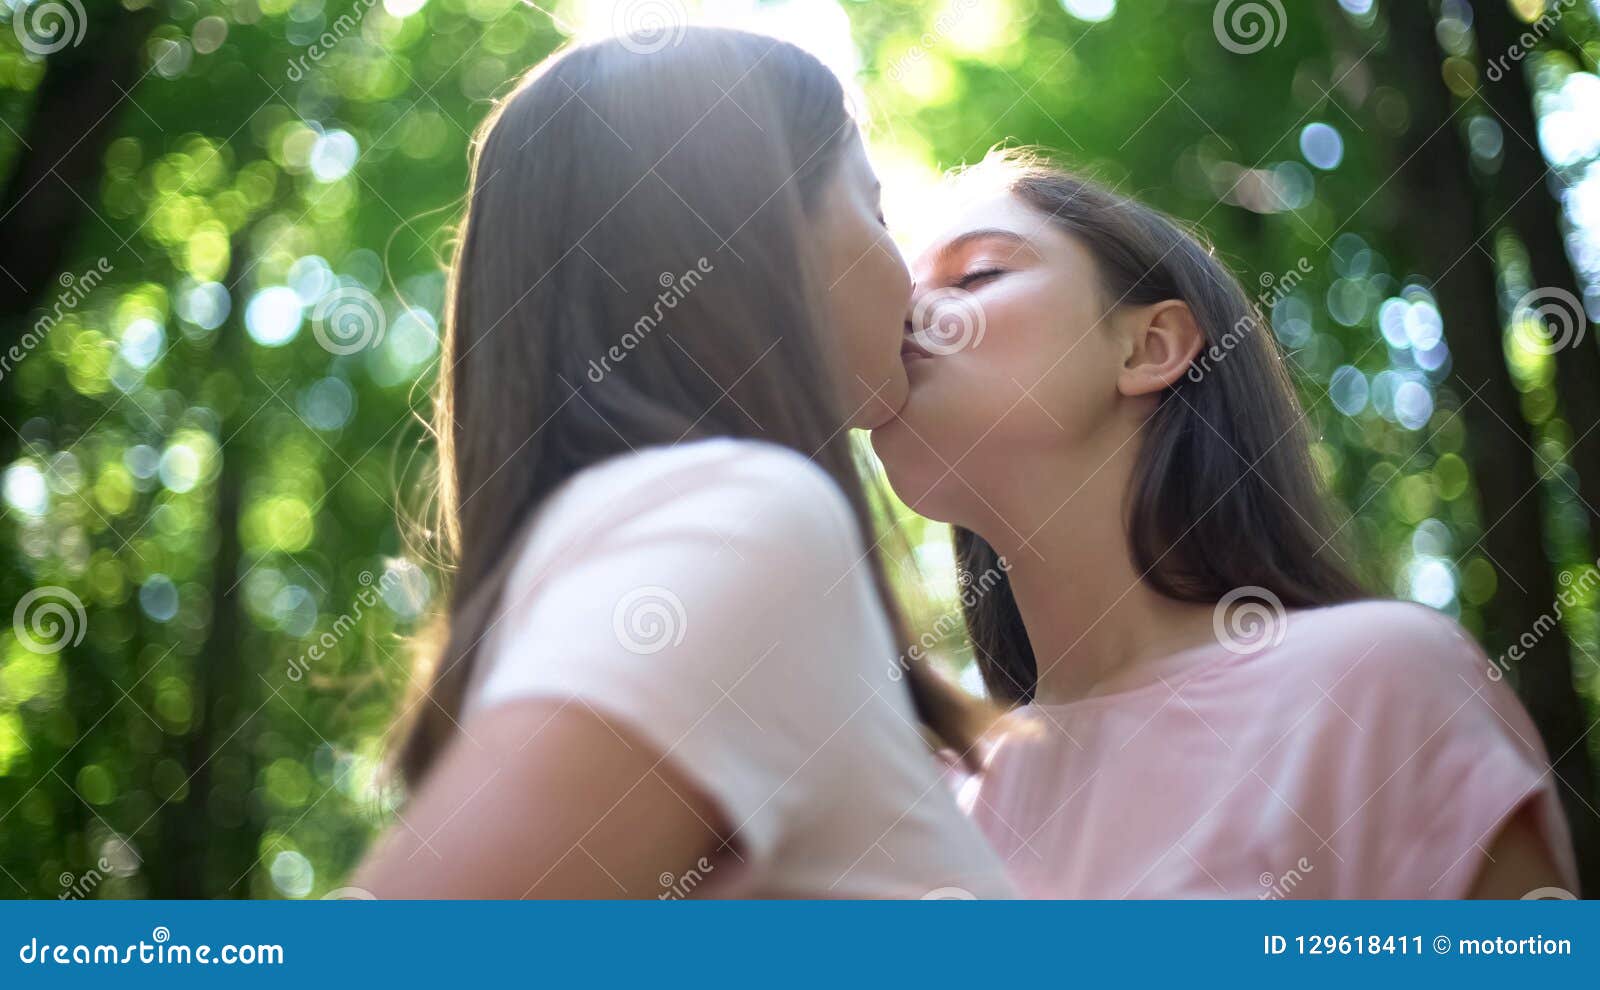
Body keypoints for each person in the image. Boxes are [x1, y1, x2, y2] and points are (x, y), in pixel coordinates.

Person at [351, 28, 1014, 899]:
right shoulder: (748, 519)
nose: (913, 282)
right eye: (876, 211)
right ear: (769, 235)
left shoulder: (603, 556)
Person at [870, 149, 1580, 898]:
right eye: (900, 291)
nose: (904, 318)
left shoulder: (1377, 691)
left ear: (1150, 347)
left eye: (977, 274)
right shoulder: (922, 813)